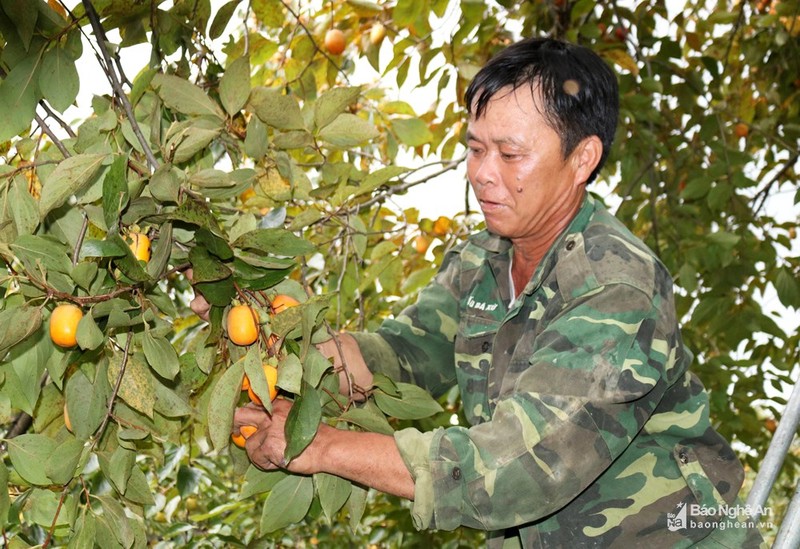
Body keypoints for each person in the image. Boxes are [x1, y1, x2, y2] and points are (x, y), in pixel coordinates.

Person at [230, 38, 765, 547]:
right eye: (476, 148)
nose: (482, 175)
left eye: (510, 155)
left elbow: (519, 468)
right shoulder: (482, 258)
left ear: (583, 159)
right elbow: (408, 353)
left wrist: (320, 446)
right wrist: (280, 350)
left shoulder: (615, 287)